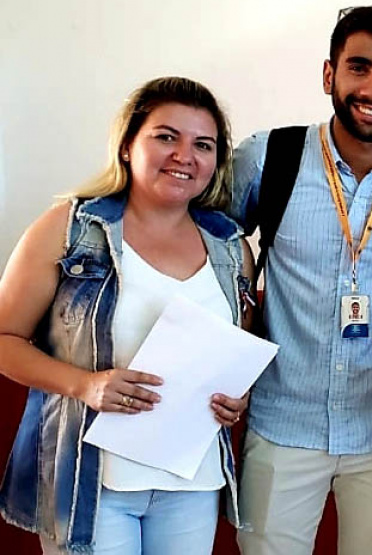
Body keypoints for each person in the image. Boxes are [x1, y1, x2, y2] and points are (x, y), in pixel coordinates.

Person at [0, 76, 254, 554]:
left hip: (192, 482)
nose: (184, 155)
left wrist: (235, 398)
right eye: (166, 137)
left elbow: (236, 353)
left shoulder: (231, 248)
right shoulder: (71, 229)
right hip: (89, 483)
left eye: (203, 145)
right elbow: (4, 339)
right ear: (127, 146)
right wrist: (85, 385)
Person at [229, 6, 372, 555]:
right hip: (282, 423)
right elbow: (203, 241)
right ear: (329, 74)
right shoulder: (267, 158)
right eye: (358, 67)